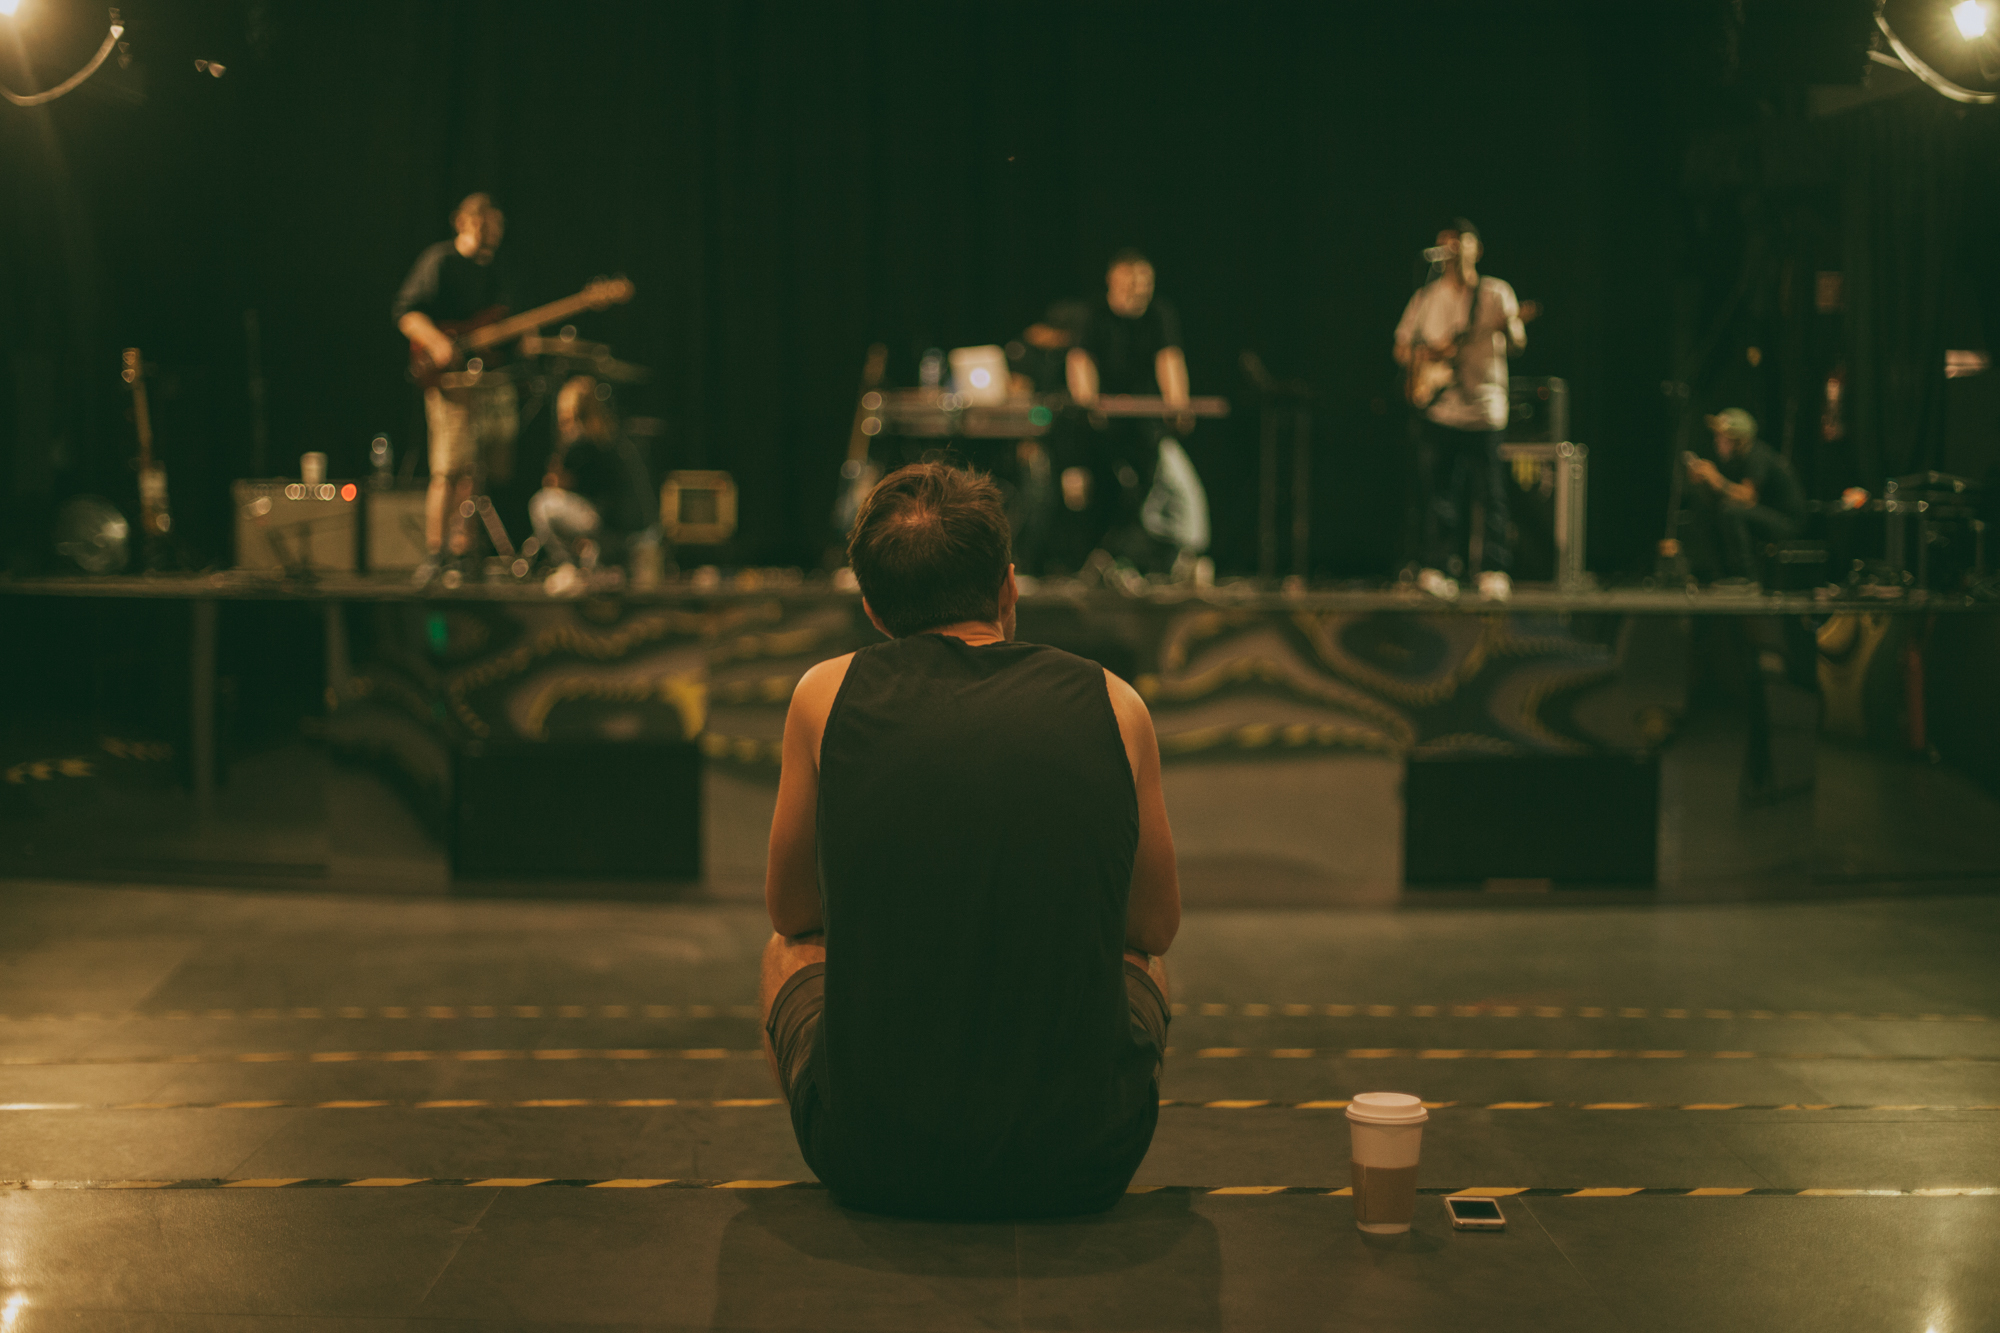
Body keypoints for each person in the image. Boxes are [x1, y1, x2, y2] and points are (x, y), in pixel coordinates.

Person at [760, 461, 1180, 1219]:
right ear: (1008, 587)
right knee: (1141, 959)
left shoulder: (823, 695)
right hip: (1086, 1161)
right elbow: (1153, 927)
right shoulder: (1119, 704)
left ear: (874, 610)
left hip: (871, 1160)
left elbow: (793, 912)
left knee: (783, 953)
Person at [1394, 219, 1534, 601]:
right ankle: (1439, 566)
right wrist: (1428, 358)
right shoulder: (1427, 297)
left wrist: (1510, 327)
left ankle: (1493, 568)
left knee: (1491, 492)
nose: (1452, 249)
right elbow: (1402, 346)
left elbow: (1519, 342)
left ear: (1477, 248)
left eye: (1460, 241)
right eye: (1445, 243)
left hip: (1485, 406)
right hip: (1442, 407)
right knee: (1439, 491)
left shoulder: (1494, 293)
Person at [1066, 249, 1210, 576]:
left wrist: (1178, 402)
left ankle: (1181, 557)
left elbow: (1169, 359)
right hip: (1103, 428)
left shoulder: (1159, 313)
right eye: (1132, 283)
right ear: (1113, 282)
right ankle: (1104, 559)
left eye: (1146, 284)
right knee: (1108, 495)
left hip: (1146, 427)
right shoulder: (1093, 314)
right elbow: (1080, 361)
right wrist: (1088, 402)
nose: (1139, 291)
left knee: (1174, 489)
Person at [393, 192, 513, 579]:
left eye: (495, 228)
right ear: (464, 222)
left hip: (482, 382)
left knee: (475, 471)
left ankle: (464, 551)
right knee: (447, 468)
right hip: (447, 382)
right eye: (483, 226)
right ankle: (435, 552)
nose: (489, 235)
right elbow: (407, 314)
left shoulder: (495, 273)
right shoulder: (440, 261)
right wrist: (438, 342)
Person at [529, 375, 652, 591]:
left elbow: (555, 484)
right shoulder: (613, 437)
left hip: (606, 524)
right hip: (633, 527)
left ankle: (568, 568)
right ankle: (603, 565)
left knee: (542, 504)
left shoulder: (579, 440)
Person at [1675, 407, 1808, 582]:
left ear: (1739, 440)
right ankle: (1717, 574)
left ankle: (1745, 576)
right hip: (1763, 514)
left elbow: (1747, 498)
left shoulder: (1756, 456)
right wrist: (1705, 483)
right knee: (1708, 509)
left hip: (1787, 522)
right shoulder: (1734, 460)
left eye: (1723, 438)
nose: (1717, 442)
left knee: (1731, 512)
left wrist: (1716, 479)